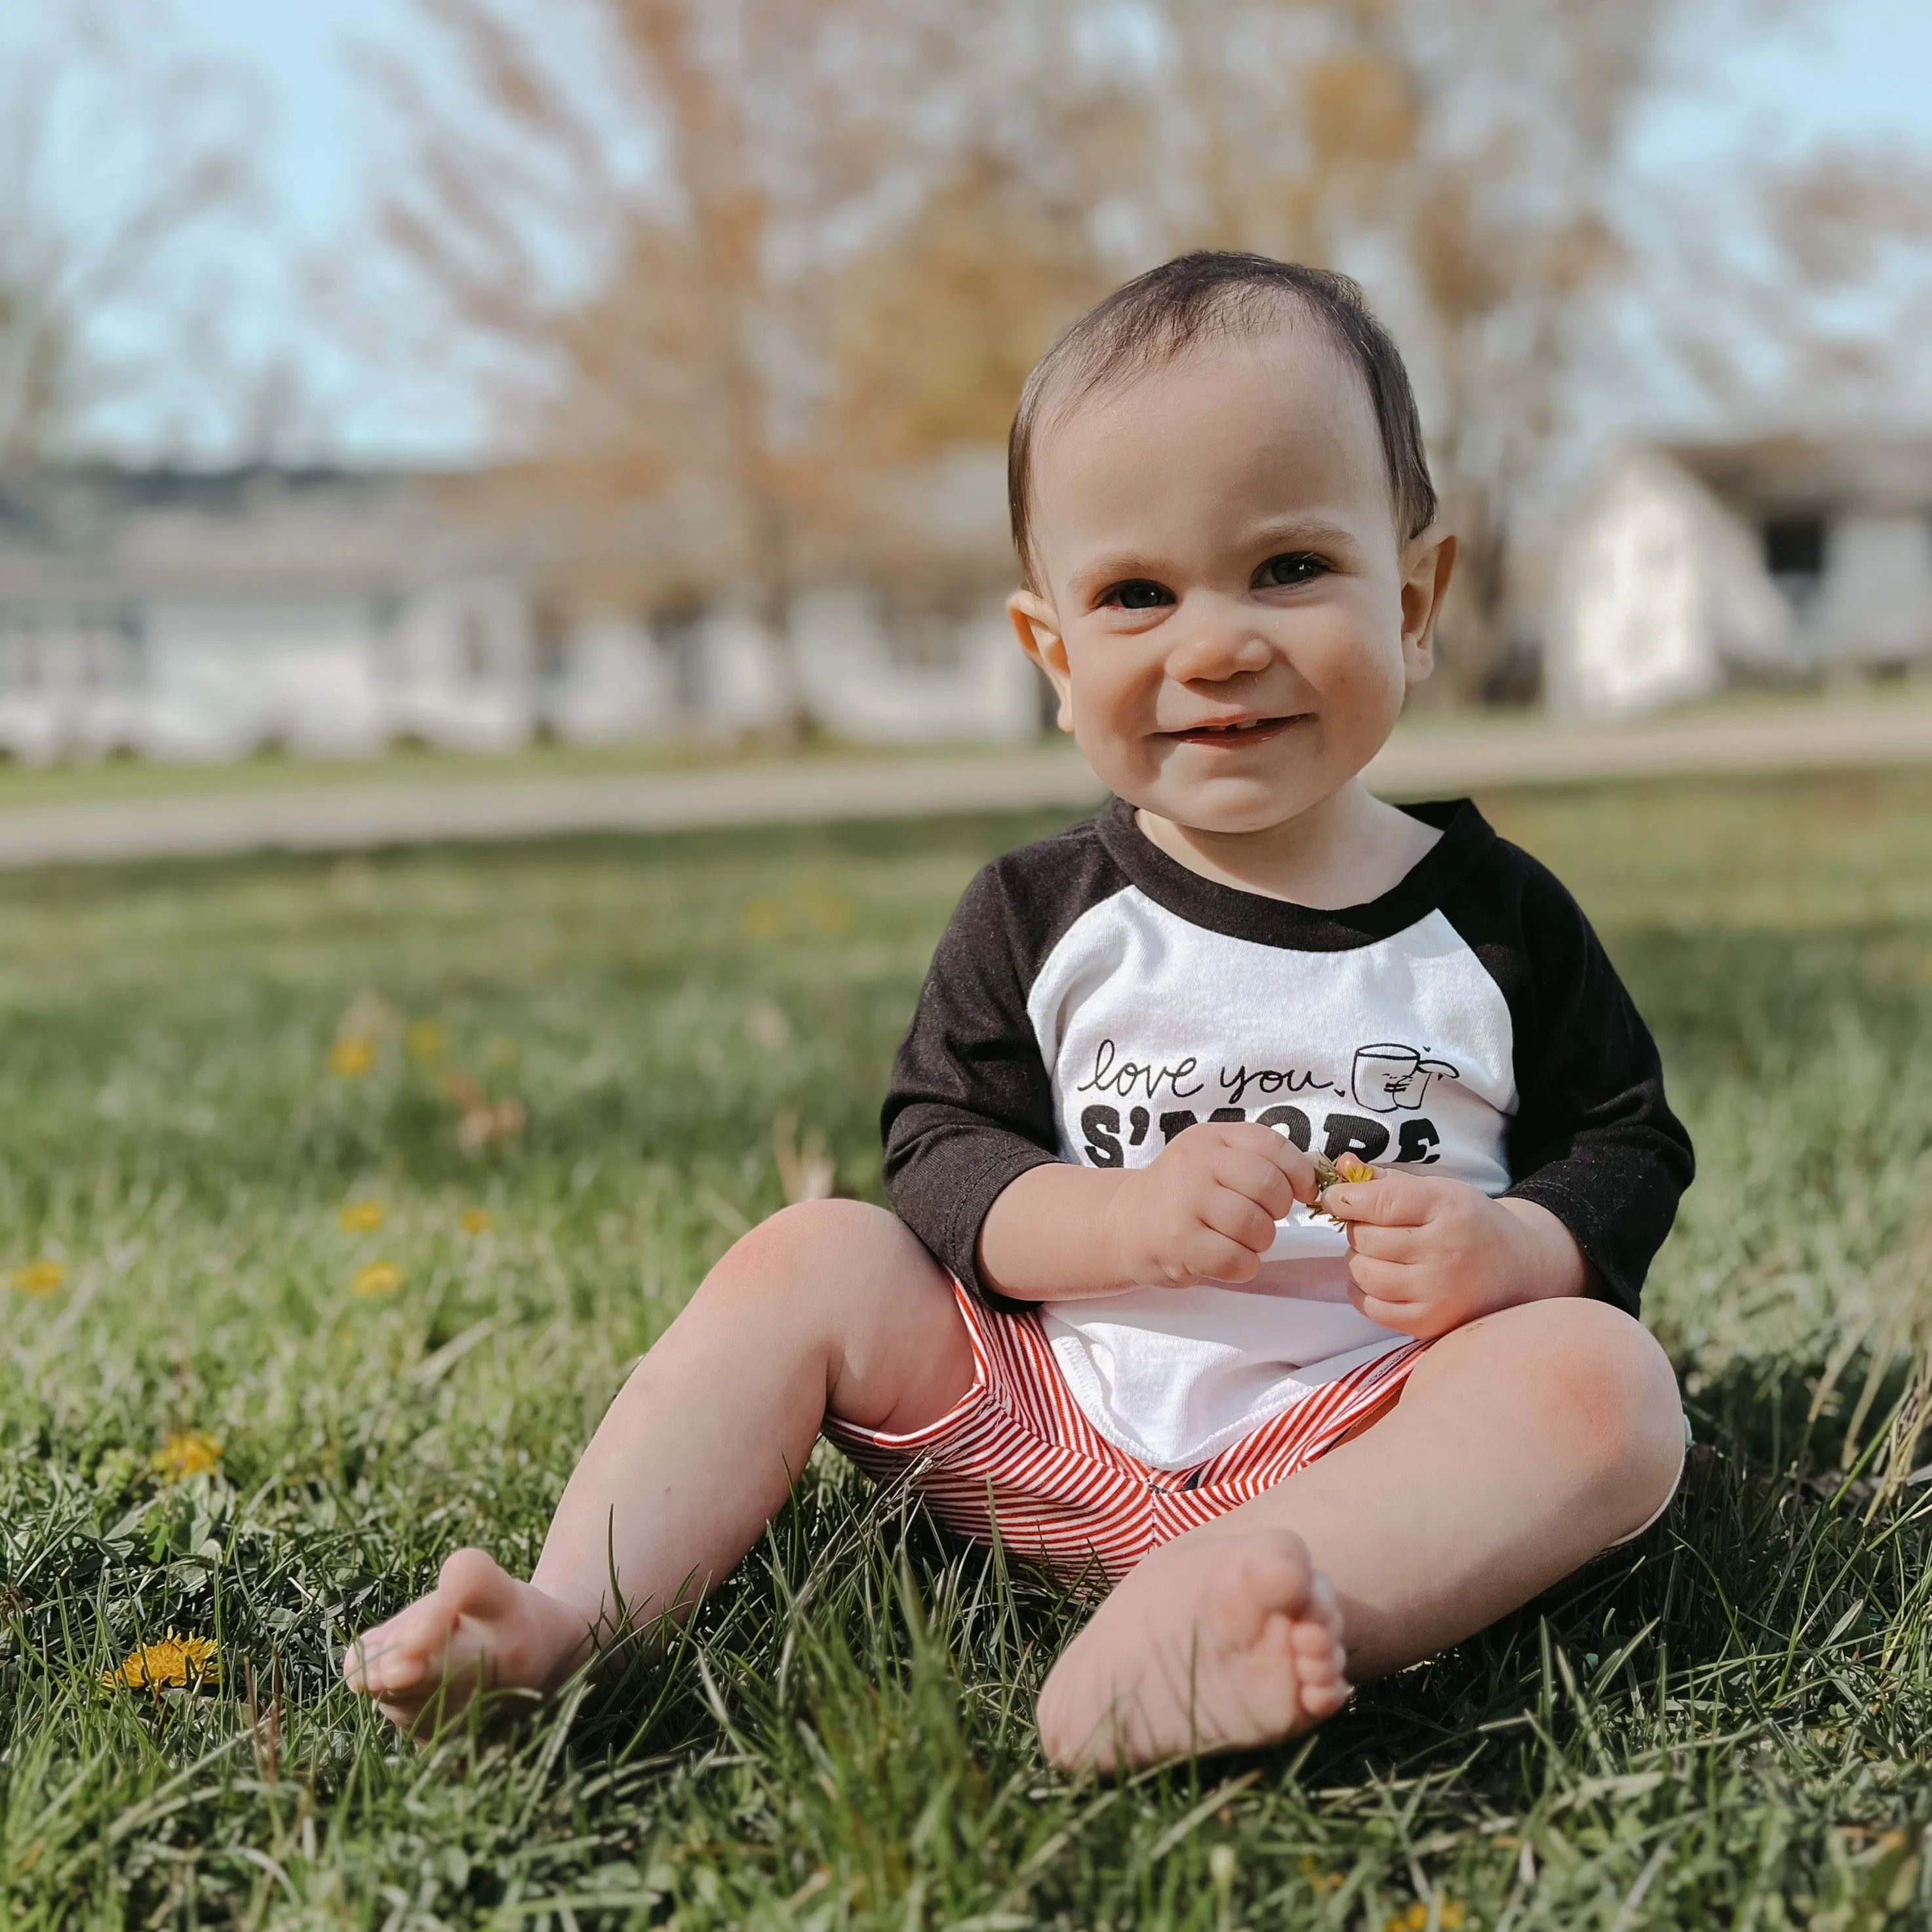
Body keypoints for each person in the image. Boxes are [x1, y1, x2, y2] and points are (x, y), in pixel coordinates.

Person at [345, 252, 1693, 1769]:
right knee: (816, 1251)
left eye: (1291, 569)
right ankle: (567, 1616)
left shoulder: (1496, 918)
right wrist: (1118, 1227)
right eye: (1135, 595)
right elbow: (938, 1155)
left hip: (1370, 1434)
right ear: (1055, 655)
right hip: (1050, 1415)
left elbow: (1627, 1141)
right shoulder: (1039, 919)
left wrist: (1516, 1247)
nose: (1217, 644)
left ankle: (1210, 1623)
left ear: (1419, 596)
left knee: (1609, 1389)